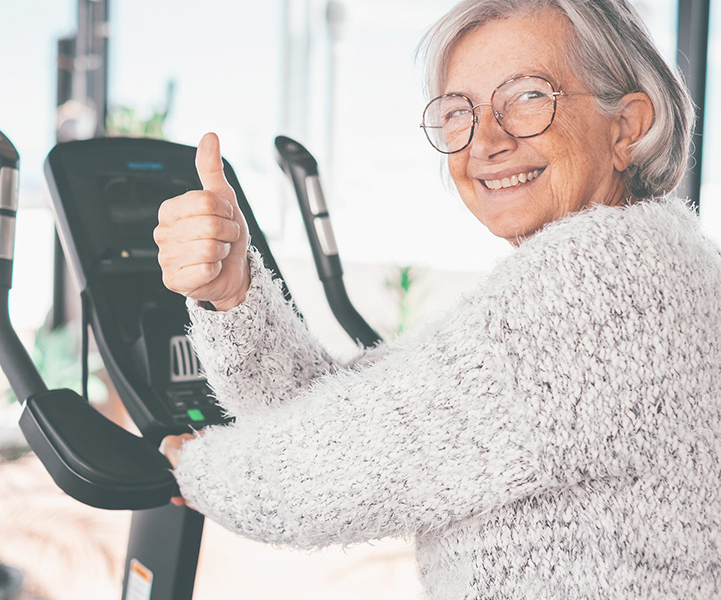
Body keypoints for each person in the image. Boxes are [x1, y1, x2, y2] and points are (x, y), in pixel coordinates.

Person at [153, 0, 720, 597]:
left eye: (528, 96)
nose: (486, 140)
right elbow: (315, 415)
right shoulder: (661, 260)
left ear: (626, 127)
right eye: (459, 111)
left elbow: (319, 474)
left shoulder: (604, 283)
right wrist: (232, 295)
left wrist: (190, 465)